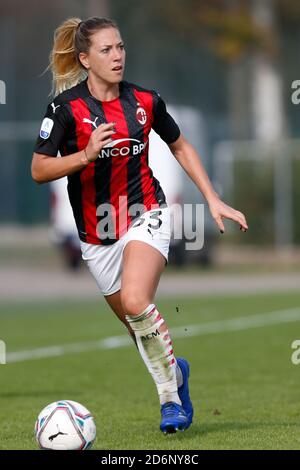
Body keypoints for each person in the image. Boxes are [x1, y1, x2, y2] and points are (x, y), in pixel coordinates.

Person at [31, 17, 248, 434]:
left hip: (145, 213)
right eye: (106, 50)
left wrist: (213, 198)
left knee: (135, 301)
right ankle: (176, 374)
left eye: (121, 47)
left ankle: (170, 401)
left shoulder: (145, 101)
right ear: (85, 59)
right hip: (96, 235)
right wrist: (84, 155)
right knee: (139, 330)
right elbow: (39, 169)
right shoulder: (65, 110)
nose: (117, 56)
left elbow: (179, 143)